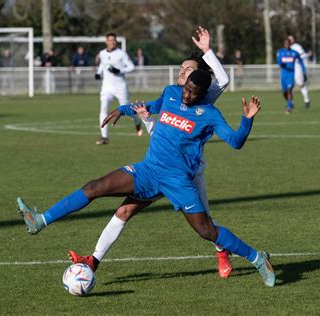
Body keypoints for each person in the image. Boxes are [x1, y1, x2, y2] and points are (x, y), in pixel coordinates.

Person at [17, 69, 276, 288]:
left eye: (193, 92)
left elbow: (236, 142)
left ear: (203, 94)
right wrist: (122, 109)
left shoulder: (209, 114)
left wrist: (246, 120)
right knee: (95, 187)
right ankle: (40, 221)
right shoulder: (171, 93)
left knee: (206, 231)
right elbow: (150, 107)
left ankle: (257, 258)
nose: (186, 94)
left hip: (178, 180)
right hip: (148, 170)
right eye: (186, 87)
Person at [67, 26, 234, 279]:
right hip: (157, 170)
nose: (182, 72)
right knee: (124, 211)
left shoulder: (203, 99)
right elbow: (156, 126)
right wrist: (134, 114)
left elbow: (223, 80)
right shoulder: (170, 94)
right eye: (181, 68)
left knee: (206, 224)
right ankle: (93, 259)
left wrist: (207, 51)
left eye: (188, 69)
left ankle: (222, 251)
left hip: (186, 172)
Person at [94, 33, 142, 145]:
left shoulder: (121, 53)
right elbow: (103, 65)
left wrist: (119, 71)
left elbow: (131, 66)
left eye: (114, 40)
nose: (112, 42)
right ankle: (104, 137)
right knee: (103, 110)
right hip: (107, 87)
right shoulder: (102, 53)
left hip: (120, 87)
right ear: (106, 41)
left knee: (127, 111)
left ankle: (137, 121)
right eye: (110, 40)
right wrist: (98, 73)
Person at [277, 38, 306, 114]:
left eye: (288, 43)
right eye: (285, 44)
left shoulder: (295, 53)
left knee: (290, 90)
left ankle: (289, 107)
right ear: (284, 44)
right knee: (284, 92)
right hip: (283, 74)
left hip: (291, 74)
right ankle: (289, 102)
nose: (287, 45)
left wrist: (303, 72)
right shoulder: (280, 52)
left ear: (290, 44)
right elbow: (278, 62)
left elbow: (301, 62)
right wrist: (281, 63)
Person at [287, 35, 311, 108]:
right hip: (289, 68)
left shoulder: (297, 47)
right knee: (289, 86)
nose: (290, 40)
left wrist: (303, 70)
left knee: (300, 84)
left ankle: (307, 100)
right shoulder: (285, 48)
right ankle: (290, 102)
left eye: (291, 39)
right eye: (289, 39)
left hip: (297, 67)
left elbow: (303, 56)